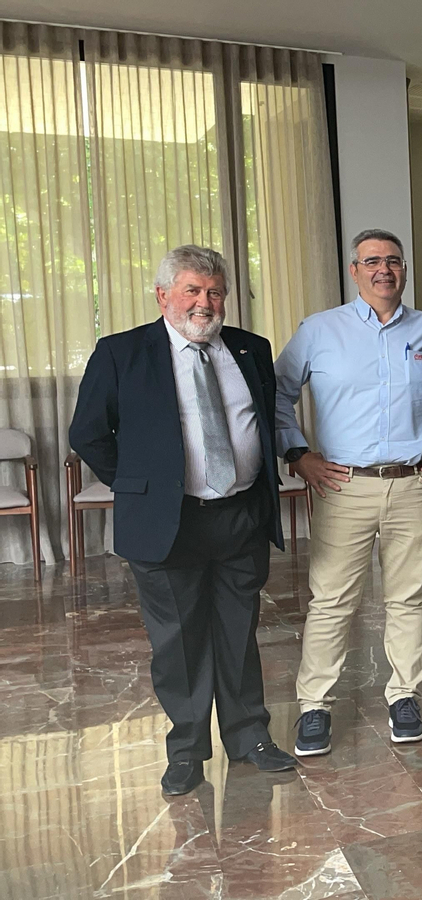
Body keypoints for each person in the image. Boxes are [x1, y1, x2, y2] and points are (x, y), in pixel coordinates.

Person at [69, 245, 294, 796]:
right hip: (167, 523)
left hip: (239, 514)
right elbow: (87, 433)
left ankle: (249, 738)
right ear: (163, 294)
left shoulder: (250, 348)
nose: (205, 302)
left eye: (215, 292)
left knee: (238, 632)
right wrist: (144, 485)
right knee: (179, 641)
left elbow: (262, 424)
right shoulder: (122, 353)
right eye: (192, 290)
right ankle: (188, 750)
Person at [274, 229, 422, 757]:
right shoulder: (319, 330)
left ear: (404, 270)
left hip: (415, 484)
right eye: (371, 261)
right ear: (354, 271)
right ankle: (315, 705)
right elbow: (276, 396)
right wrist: (297, 454)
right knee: (331, 600)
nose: (384, 270)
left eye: (393, 261)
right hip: (342, 485)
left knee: (408, 597)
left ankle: (404, 695)